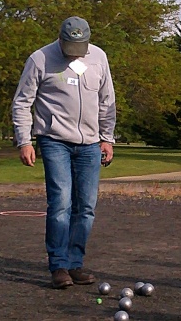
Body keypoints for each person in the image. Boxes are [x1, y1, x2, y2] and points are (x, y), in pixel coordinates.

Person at [12, 16, 116, 289]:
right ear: (60, 39)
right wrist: (24, 140)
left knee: (86, 207)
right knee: (60, 203)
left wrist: (107, 138)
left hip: (91, 144)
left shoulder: (99, 58)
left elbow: (107, 101)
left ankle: (75, 263)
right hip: (54, 140)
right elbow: (22, 102)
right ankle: (58, 265)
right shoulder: (39, 59)